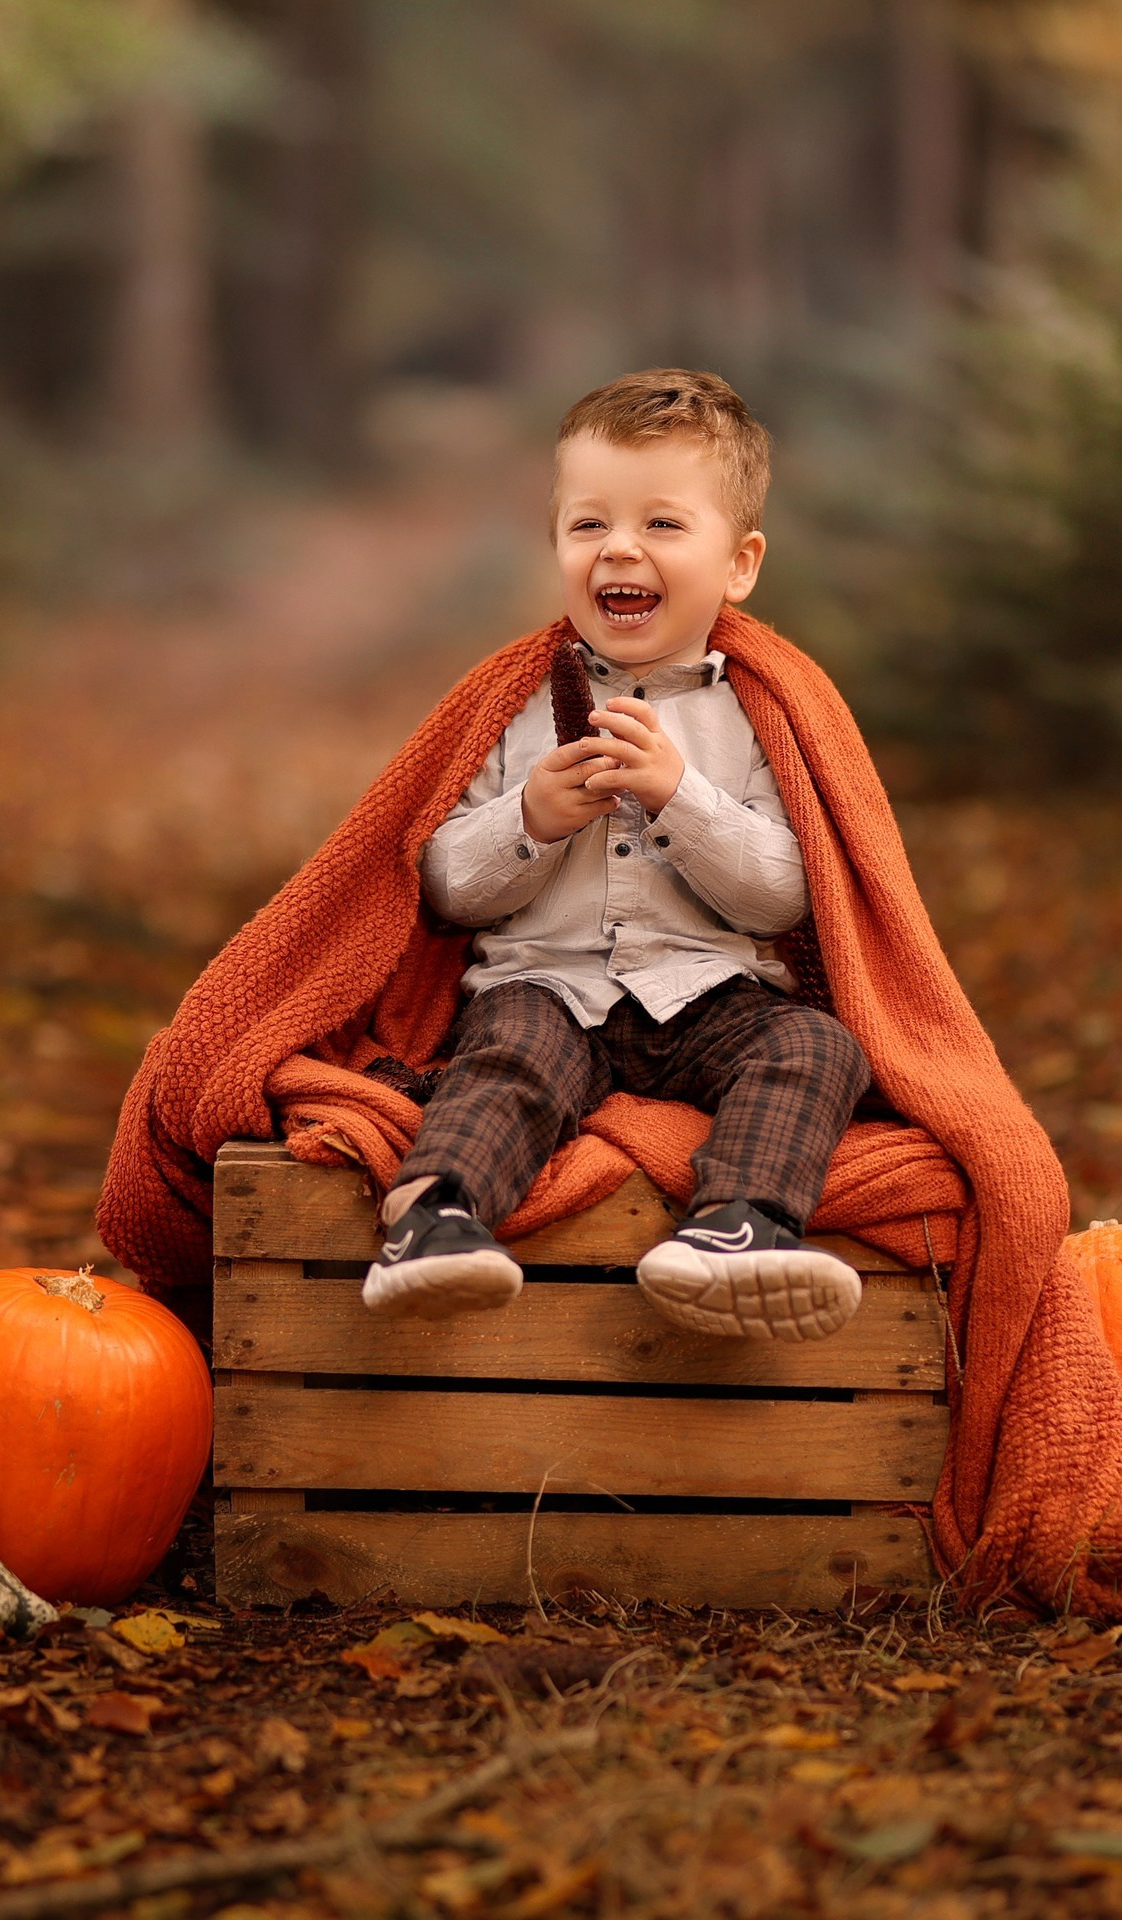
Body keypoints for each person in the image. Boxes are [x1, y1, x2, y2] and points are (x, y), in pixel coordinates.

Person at [364, 369, 871, 1342]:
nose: (619, 549)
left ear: (740, 563)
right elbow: (439, 886)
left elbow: (785, 895)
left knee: (815, 1047)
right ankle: (429, 1217)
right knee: (506, 1060)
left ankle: (740, 1227)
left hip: (707, 994)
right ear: (557, 544)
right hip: (547, 985)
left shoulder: (762, 714)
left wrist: (683, 797)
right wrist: (532, 817)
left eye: (663, 525)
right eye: (588, 525)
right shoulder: (513, 706)